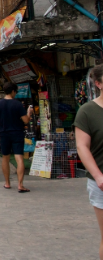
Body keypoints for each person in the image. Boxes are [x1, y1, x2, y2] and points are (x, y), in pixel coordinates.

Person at [74, 64, 103, 259]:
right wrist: (98, 176)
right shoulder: (87, 112)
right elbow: (82, 147)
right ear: (99, 83)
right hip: (101, 183)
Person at [0, 82, 33, 192]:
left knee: (5, 158)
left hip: (4, 134)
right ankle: (20, 185)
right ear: (13, 91)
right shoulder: (18, 104)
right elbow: (26, 121)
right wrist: (29, 113)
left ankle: (7, 183)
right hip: (17, 133)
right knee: (19, 158)